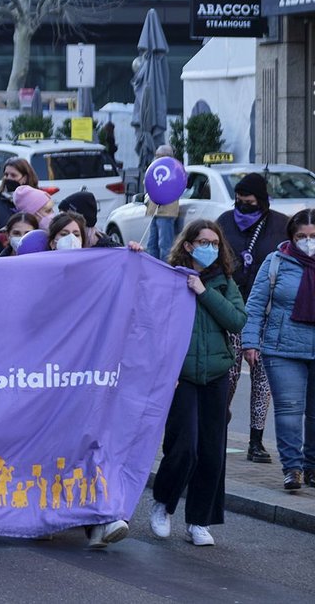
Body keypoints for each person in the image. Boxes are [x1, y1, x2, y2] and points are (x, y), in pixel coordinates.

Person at [150, 220, 245, 547]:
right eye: (203, 242)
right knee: (184, 445)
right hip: (182, 377)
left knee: (211, 450)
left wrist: (204, 293)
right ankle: (163, 503)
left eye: (215, 243)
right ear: (188, 245)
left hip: (216, 375)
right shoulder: (171, 279)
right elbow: (154, 323)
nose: (210, 248)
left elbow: (236, 319)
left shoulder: (223, 282)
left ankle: (200, 521)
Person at [242, 209, 315, 491]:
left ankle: (312, 467)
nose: (308, 242)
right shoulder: (276, 262)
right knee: (289, 410)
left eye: (313, 237)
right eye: (302, 237)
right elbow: (256, 304)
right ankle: (293, 469)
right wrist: (250, 342)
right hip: (282, 348)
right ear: (291, 237)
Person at [216, 172, 287, 464]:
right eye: (239, 202)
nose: (242, 209)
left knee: (262, 380)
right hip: (233, 311)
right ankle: (218, 428)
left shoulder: (280, 225)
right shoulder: (224, 221)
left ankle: (256, 442)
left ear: (262, 202)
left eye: (249, 203)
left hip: (268, 314)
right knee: (229, 377)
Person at [144, 145, 181, 261]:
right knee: (151, 244)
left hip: (166, 211)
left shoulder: (174, 169)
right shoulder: (155, 168)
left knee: (165, 245)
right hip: (154, 209)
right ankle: (153, 268)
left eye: (158, 155)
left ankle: (165, 269)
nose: (156, 158)